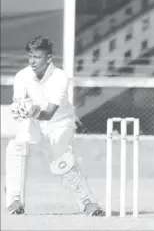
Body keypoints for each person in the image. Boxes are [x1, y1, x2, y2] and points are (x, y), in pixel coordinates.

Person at [6, 36, 104, 216]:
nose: (32, 61)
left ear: (49, 58)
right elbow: (20, 104)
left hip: (59, 122)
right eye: (30, 56)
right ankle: (15, 200)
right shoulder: (22, 76)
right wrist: (19, 110)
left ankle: (87, 202)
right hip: (34, 121)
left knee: (61, 159)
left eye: (37, 57)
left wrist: (32, 111)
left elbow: (49, 113)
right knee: (16, 147)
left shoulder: (59, 78)